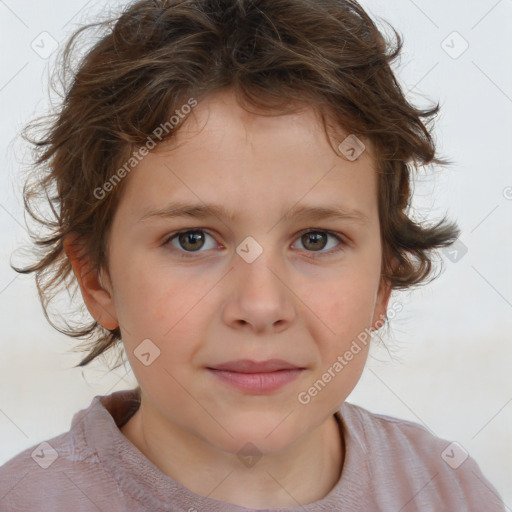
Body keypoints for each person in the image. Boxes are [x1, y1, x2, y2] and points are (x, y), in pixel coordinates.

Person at [0, 0, 506, 510]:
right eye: (192, 239)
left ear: (383, 282)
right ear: (96, 281)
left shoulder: (448, 491)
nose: (261, 306)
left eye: (316, 239)